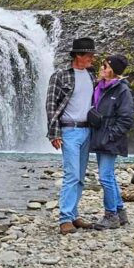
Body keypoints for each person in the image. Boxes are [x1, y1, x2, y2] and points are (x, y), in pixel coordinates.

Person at [46, 37, 97, 235]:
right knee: (71, 174)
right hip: (69, 130)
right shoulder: (60, 76)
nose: (92, 59)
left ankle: (74, 214)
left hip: (87, 130)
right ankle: (65, 219)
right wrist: (54, 133)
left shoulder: (92, 75)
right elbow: (51, 106)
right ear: (78, 55)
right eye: (89, 55)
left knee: (81, 176)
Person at [87, 54, 134, 230]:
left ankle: (110, 215)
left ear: (113, 71)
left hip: (109, 140)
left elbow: (127, 119)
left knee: (105, 177)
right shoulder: (101, 87)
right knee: (110, 177)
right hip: (101, 138)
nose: (101, 68)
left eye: (105, 66)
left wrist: (109, 136)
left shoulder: (122, 90)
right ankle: (120, 212)